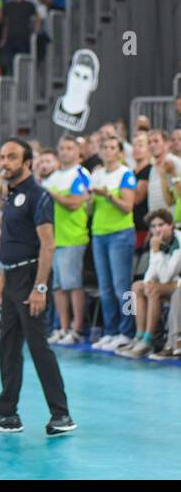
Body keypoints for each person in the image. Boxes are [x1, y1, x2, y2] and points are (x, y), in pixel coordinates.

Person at [0, 138, 73, 437]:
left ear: (27, 162)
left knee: (39, 347)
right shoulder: (11, 194)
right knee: (8, 346)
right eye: (2, 157)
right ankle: (7, 414)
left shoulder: (38, 196)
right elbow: (10, 241)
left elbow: (48, 244)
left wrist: (40, 288)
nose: (5, 162)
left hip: (32, 279)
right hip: (13, 278)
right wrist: (3, 278)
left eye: (12, 157)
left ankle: (61, 414)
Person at [87, 135, 138, 352]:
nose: (108, 151)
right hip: (99, 234)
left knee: (122, 287)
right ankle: (110, 331)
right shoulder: (96, 174)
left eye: (112, 147)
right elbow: (89, 210)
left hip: (120, 234)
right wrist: (89, 198)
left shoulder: (125, 174)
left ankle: (127, 331)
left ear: (119, 152)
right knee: (105, 287)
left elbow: (128, 206)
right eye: (104, 147)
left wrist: (108, 195)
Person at [43, 136, 91, 346]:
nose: (65, 152)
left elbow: (75, 202)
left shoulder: (81, 174)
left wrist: (53, 195)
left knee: (73, 284)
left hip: (73, 237)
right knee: (58, 287)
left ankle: (77, 329)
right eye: (61, 148)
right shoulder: (53, 177)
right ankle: (62, 328)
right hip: (55, 239)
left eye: (69, 148)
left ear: (77, 151)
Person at [117, 209, 181, 358]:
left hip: (177, 284)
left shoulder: (177, 243)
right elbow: (152, 272)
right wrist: (146, 283)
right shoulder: (156, 242)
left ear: (171, 225)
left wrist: (156, 250)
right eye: (153, 226)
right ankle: (139, 336)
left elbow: (165, 277)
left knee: (153, 290)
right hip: (172, 282)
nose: (157, 229)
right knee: (136, 287)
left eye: (161, 225)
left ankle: (148, 340)